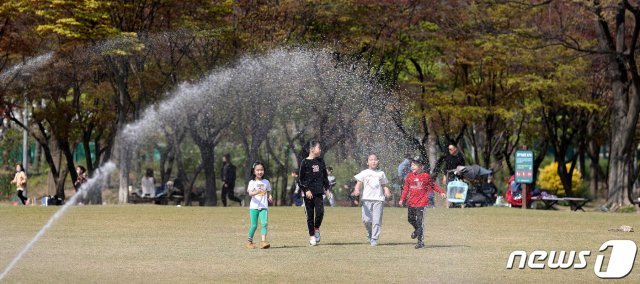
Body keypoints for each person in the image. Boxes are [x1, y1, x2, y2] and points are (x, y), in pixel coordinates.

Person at [399, 156, 445, 249]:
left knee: (420, 222)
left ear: (421, 167)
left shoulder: (425, 176)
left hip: (421, 203)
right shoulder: (409, 176)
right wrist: (402, 199)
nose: (412, 166)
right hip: (411, 202)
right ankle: (417, 230)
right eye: (412, 164)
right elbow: (405, 189)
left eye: (415, 165)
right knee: (410, 219)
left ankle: (420, 242)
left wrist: (441, 192)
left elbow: (433, 185)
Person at [352, 154, 391, 246]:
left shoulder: (381, 173)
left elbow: (384, 185)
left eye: (375, 159)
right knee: (366, 220)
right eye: (371, 160)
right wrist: (357, 189)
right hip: (366, 199)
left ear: (378, 162)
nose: (373, 161)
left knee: (377, 220)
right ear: (367, 162)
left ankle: (374, 238)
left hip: (378, 199)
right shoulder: (364, 172)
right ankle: (370, 233)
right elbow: (359, 183)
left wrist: (386, 190)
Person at [297, 140, 330, 246]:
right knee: (310, 216)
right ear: (312, 149)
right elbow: (300, 180)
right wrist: (306, 190)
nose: (320, 150)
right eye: (318, 148)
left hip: (319, 192)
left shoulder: (321, 161)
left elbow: (325, 176)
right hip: (307, 194)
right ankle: (312, 236)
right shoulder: (304, 162)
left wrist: (327, 189)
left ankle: (316, 229)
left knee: (320, 212)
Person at [245, 162, 273, 249]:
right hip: (254, 207)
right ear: (254, 171)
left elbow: (268, 191)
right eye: (257, 170)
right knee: (254, 225)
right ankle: (249, 242)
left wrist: (270, 196)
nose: (260, 172)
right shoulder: (252, 182)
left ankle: (263, 241)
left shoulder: (266, 182)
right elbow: (249, 193)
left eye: (261, 170)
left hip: (264, 206)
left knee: (264, 223)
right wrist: (256, 192)